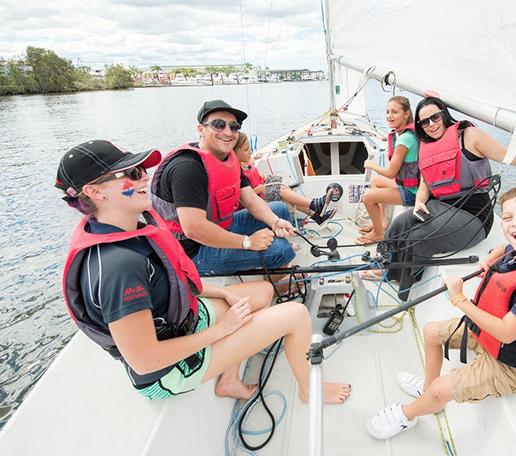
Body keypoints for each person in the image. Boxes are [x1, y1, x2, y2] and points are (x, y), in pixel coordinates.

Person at [55, 139, 351, 403]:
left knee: (262, 291)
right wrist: (223, 330)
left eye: (141, 169)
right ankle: (307, 390)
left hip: (184, 323)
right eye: (132, 174)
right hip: (169, 371)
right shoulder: (118, 267)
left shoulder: (129, 230)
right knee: (296, 315)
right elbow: (146, 361)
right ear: (94, 192)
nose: (144, 177)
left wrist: (221, 292)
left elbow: (172, 282)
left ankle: (230, 380)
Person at [366, 184, 516, 439]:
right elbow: (503, 250)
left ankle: (409, 413)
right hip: (487, 335)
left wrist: (461, 300)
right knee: (431, 332)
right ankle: (428, 390)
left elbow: (508, 333)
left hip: (511, 363)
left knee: (442, 388)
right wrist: (490, 257)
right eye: (508, 218)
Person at [372, 96, 516, 296]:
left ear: (444, 115)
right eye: (424, 122)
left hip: (473, 216)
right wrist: (420, 200)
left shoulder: (470, 136)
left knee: (418, 237)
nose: (431, 125)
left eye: (435, 118)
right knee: (398, 225)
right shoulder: (427, 144)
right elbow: (426, 179)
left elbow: (512, 158)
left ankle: (405, 289)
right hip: (441, 207)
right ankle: (387, 269)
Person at [150, 99, 297, 276]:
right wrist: (247, 242)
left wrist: (275, 222)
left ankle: (269, 259)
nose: (228, 132)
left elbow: (250, 199)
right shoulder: (188, 168)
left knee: (279, 210)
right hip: (191, 251)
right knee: (282, 249)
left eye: (234, 127)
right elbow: (193, 229)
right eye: (218, 125)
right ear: (201, 129)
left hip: (219, 227)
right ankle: (275, 279)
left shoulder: (227, 158)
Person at [234, 132, 337, 225]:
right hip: (257, 195)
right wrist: (259, 189)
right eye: (246, 150)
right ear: (235, 152)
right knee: (280, 189)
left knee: (285, 189)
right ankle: (315, 204)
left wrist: (260, 173)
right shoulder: (235, 172)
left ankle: (316, 216)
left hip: (261, 184)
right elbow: (243, 198)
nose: (250, 152)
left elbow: (250, 169)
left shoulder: (244, 162)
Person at [356, 96, 420, 244]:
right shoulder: (406, 134)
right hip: (408, 186)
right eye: (387, 112)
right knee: (376, 181)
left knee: (368, 197)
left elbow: (391, 173)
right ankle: (381, 223)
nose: (389, 116)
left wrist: (370, 164)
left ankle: (379, 233)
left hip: (413, 193)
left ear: (406, 114)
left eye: (394, 112)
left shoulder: (404, 140)